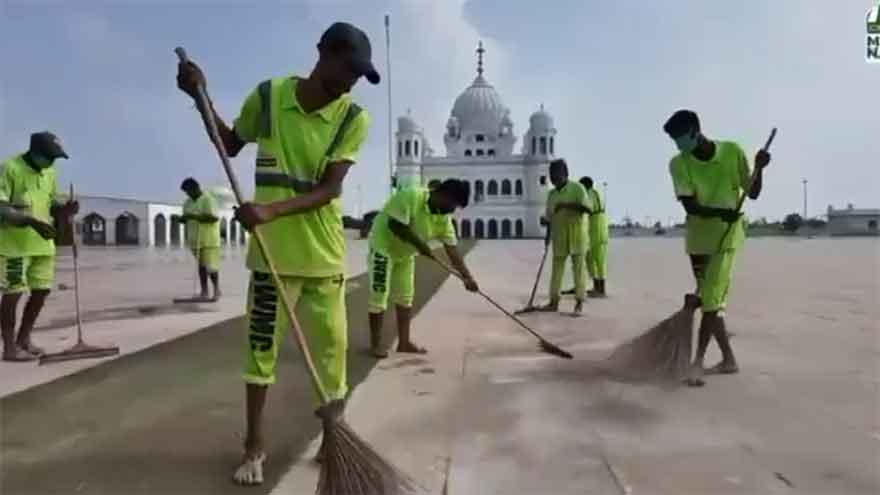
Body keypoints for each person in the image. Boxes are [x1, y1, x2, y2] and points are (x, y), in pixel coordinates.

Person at [176, 21, 377, 485]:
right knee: (260, 353)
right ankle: (253, 445)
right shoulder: (268, 98)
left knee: (332, 355)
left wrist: (271, 210)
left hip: (324, 258)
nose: (351, 83)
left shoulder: (353, 118)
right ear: (324, 53)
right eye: (348, 70)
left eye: (358, 76)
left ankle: (332, 438)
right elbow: (230, 143)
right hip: (271, 259)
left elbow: (329, 189)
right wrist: (200, 99)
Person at [663, 109, 770, 383]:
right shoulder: (679, 164)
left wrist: (759, 169)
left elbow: (753, 192)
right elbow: (690, 206)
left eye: (679, 138)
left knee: (710, 299)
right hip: (699, 240)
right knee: (712, 301)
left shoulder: (732, 152)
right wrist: (722, 213)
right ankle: (729, 360)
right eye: (674, 140)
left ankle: (697, 362)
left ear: (694, 131)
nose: (677, 145)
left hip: (727, 239)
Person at [366, 179, 478, 358]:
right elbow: (396, 226)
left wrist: (467, 277)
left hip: (405, 254)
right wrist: (421, 246)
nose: (452, 210)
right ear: (443, 195)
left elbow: (452, 250)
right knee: (380, 293)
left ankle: (404, 343)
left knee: (405, 297)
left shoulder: (443, 220)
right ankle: (375, 344)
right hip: (383, 247)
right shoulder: (411, 196)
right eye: (453, 204)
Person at [0, 131, 78, 362]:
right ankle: (9, 348)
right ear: (35, 152)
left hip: (43, 245)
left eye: (56, 158)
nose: (52, 162)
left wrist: (65, 209)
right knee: (13, 293)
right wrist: (30, 221)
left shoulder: (50, 173)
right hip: (14, 246)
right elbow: (1, 208)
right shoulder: (10, 168)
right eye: (49, 157)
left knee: (42, 291)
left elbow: (51, 203)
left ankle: (24, 339)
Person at [538, 159, 593, 314]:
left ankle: (579, 302)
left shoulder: (578, 189)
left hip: (577, 236)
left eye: (556, 174)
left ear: (565, 173)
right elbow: (550, 218)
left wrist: (566, 205)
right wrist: (546, 237)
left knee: (578, 270)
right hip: (559, 236)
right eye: (551, 175)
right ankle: (553, 302)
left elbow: (588, 209)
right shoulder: (551, 195)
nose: (553, 178)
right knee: (557, 271)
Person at [562, 176, 608, 297]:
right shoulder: (597, 193)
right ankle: (598, 288)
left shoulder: (589, 194)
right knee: (599, 258)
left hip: (595, 227)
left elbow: (587, 208)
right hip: (602, 226)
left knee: (592, 257)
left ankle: (599, 289)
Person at [179, 178, 222, 301]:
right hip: (194, 239)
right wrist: (182, 219)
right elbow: (186, 219)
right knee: (201, 267)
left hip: (209, 240)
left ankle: (217, 290)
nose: (188, 194)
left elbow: (214, 218)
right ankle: (204, 292)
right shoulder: (187, 202)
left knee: (211, 267)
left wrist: (193, 216)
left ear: (196, 188)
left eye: (189, 191)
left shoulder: (208, 199)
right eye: (186, 192)